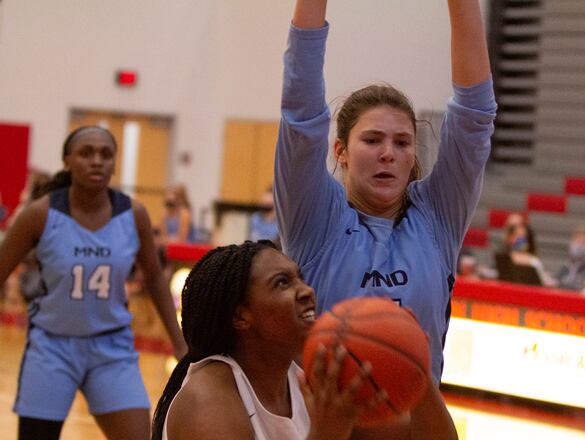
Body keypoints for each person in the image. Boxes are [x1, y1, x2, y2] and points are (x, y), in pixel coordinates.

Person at [275, 0, 496, 388]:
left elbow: (475, 116)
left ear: (413, 156)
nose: (388, 153)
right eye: (372, 140)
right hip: (325, 423)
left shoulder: (436, 217)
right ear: (339, 151)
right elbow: (300, 112)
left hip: (417, 423)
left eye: (402, 142)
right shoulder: (316, 216)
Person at [152, 240, 458, 440]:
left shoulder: (307, 379)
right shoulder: (207, 401)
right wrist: (328, 432)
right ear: (241, 317)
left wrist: (416, 369)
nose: (307, 291)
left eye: (299, 277)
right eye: (282, 283)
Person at [0, 126, 187, 440]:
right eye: (86, 153)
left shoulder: (133, 214)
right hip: (52, 345)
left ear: (115, 163)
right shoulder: (40, 214)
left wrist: (180, 344)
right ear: (68, 161)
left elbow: (154, 278)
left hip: (111, 347)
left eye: (106, 154)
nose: (97, 161)